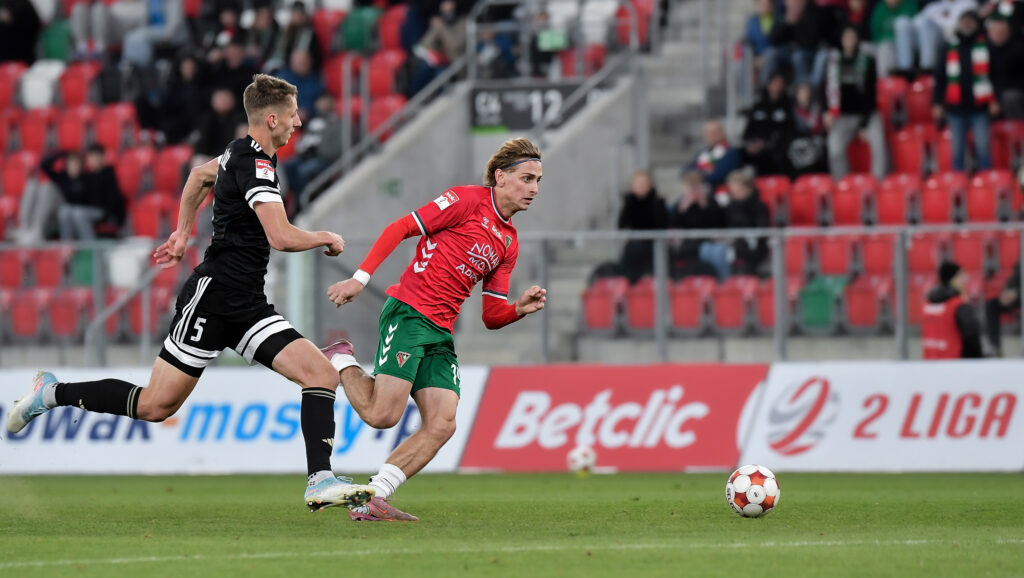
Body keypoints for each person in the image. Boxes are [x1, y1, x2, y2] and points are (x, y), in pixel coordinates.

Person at [6, 74, 374, 513]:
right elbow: (280, 236)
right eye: (293, 114)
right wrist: (325, 236)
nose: (298, 122)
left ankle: (320, 480)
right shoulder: (254, 164)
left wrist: (182, 233)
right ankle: (51, 392)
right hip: (213, 298)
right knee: (154, 405)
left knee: (320, 374)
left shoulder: (239, 152)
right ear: (272, 119)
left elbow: (200, 176)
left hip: (247, 304)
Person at [319, 138, 548, 521]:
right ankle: (341, 360)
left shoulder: (509, 242)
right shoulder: (466, 200)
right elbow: (401, 227)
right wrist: (360, 278)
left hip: (441, 331)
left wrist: (518, 310)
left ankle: (373, 497)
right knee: (383, 416)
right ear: (500, 177)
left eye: (538, 181)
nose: (534, 189)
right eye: (527, 178)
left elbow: (491, 315)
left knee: (442, 423)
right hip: (410, 314)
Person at [932, 10, 995, 172]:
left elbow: (995, 75)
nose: (966, 24)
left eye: (970, 21)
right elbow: (940, 77)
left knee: (983, 148)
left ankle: (987, 180)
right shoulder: (948, 46)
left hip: (980, 107)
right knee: (957, 151)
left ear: (976, 24)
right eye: (963, 21)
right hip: (956, 108)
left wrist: (995, 100)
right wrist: (937, 102)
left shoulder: (986, 45)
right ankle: (958, 182)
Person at [825, 26, 887, 180]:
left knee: (879, 144)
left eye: (852, 37)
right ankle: (842, 184)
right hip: (844, 116)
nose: (849, 41)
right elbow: (825, 89)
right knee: (834, 147)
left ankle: (878, 182)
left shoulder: (868, 61)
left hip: (868, 114)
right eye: (846, 37)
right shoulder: (833, 63)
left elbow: (871, 95)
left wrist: (864, 124)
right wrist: (827, 111)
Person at [700, 170, 771, 279]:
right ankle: (711, 282)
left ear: (745, 187)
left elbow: (761, 230)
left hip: (750, 245)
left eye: (735, 186)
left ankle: (724, 281)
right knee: (706, 248)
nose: (732, 190)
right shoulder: (729, 205)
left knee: (721, 251)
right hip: (729, 241)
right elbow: (720, 224)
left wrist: (738, 237)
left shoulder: (759, 206)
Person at [616, 170, 670, 282]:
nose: (641, 186)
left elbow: (662, 224)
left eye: (644, 183)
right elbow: (621, 225)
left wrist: (657, 205)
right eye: (638, 184)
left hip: (654, 244)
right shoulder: (630, 202)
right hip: (634, 245)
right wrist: (628, 203)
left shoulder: (657, 202)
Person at [922, 261, 983, 358]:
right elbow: (971, 335)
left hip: (930, 361)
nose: (965, 282)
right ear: (954, 279)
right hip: (955, 362)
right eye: (962, 277)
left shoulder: (928, 303)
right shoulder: (959, 305)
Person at [742, 71, 797, 176]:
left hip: (776, 147)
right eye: (774, 83)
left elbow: (788, 131)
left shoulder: (788, 106)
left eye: (780, 83)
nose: (777, 86)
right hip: (755, 145)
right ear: (768, 84)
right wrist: (750, 143)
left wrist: (766, 143)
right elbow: (748, 130)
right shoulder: (758, 106)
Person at [987, 12, 1024, 119]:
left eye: (1002, 32)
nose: (998, 35)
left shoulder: (1019, 50)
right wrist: (992, 100)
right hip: (988, 93)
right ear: (989, 33)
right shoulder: (981, 51)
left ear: (1008, 32)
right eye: (995, 32)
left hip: (1013, 92)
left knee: (1010, 97)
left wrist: (998, 99)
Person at [686, 120, 743, 188]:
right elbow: (686, 170)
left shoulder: (731, 152)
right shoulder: (702, 153)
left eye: (714, 132)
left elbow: (720, 175)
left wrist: (697, 177)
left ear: (722, 133)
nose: (711, 135)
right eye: (708, 133)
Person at [870, 0, 919, 77]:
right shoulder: (880, 8)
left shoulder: (909, 4)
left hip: (910, 45)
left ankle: (904, 74)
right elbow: (875, 33)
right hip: (885, 46)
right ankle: (886, 80)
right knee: (884, 48)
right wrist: (889, 40)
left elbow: (916, 27)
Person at [984, 261, 1020, 356]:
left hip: (1019, 294)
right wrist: (1008, 291)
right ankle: (994, 344)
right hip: (1018, 297)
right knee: (992, 305)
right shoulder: (1020, 263)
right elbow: (1015, 277)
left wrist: (1017, 293)